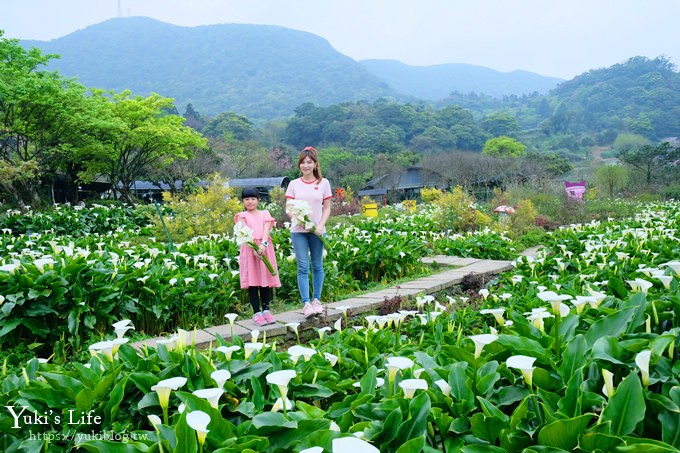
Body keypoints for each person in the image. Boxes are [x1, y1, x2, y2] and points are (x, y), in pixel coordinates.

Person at [285, 146, 332, 318]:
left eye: (309, 162)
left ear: (315, 164)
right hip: (299, 231)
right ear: (299, 165)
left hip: (318, 232)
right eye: (302, 163)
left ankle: (317, 300)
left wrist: (320, 225)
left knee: (317, 265)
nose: (305, 166)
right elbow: (289, 208)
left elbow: (327, 208)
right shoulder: (293, 184)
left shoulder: (324, 183)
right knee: (303, 266)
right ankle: (306, 303)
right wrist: (301, 221)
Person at [235, 187, 281, 326]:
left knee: (264, 280)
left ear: (258, 200)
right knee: (253, 282)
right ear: (243, 201)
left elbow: (267, 229)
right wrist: (253, 247)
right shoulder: (241, 216)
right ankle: (256, 312)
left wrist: (263, 245)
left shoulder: (265, 214)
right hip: (249, 250)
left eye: (253, 199)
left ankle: (266, 310)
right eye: (247, 199)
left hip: (264, 248)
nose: (250, 202)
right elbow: (244, 232)